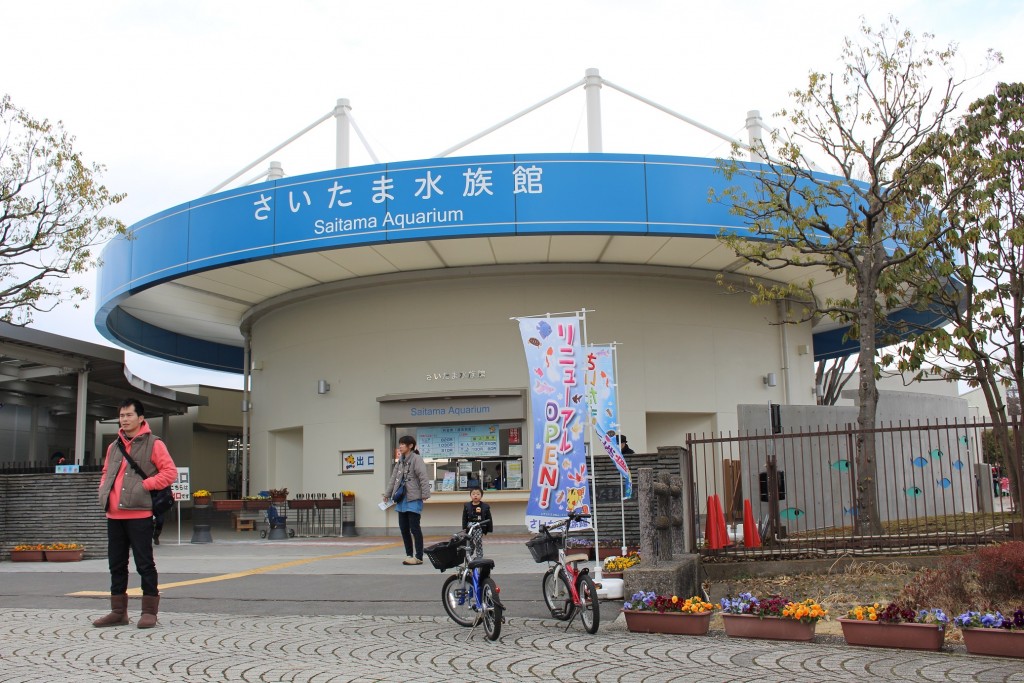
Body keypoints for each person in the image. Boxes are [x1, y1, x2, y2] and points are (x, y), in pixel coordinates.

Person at [93, 399, 177, 629]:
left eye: (129, 415)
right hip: (114, 515)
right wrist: (103, 490)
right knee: (116, 564)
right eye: (122, 415)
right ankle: (118, 611)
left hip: (139, 513)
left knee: (144, 563)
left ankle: (149, 611)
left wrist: (146, 485)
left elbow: (170, 473)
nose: (125, 419)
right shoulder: (114, 446)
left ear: (141, 418)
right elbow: (106, 472)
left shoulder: (154, 443)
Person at [383, 435, 431, 565]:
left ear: (410, 446)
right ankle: (409, 555)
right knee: (404, 528)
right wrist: (387, 493)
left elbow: (423, 477)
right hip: (401, 499)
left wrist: (425, 493)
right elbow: (393, 478)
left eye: (403, 444)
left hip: (414, 498)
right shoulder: (400, 461)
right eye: (400, 444)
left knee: (414, 528)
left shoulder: (416, 459)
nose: (400, 446)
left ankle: (419, 556)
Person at [461, 487, 493, 559]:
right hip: (469, 526)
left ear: (481, 496)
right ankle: (469, 553)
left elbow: (489, 518)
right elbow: (464, 517)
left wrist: (489, 528)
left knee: (478, 541)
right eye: (473, 494)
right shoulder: (467, 505)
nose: (475, 495)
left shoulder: (485, 506)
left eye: (478, 494)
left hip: (479, 526)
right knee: (469, 541)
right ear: (470, 495)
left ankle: (479, 555)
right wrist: (464, 527)